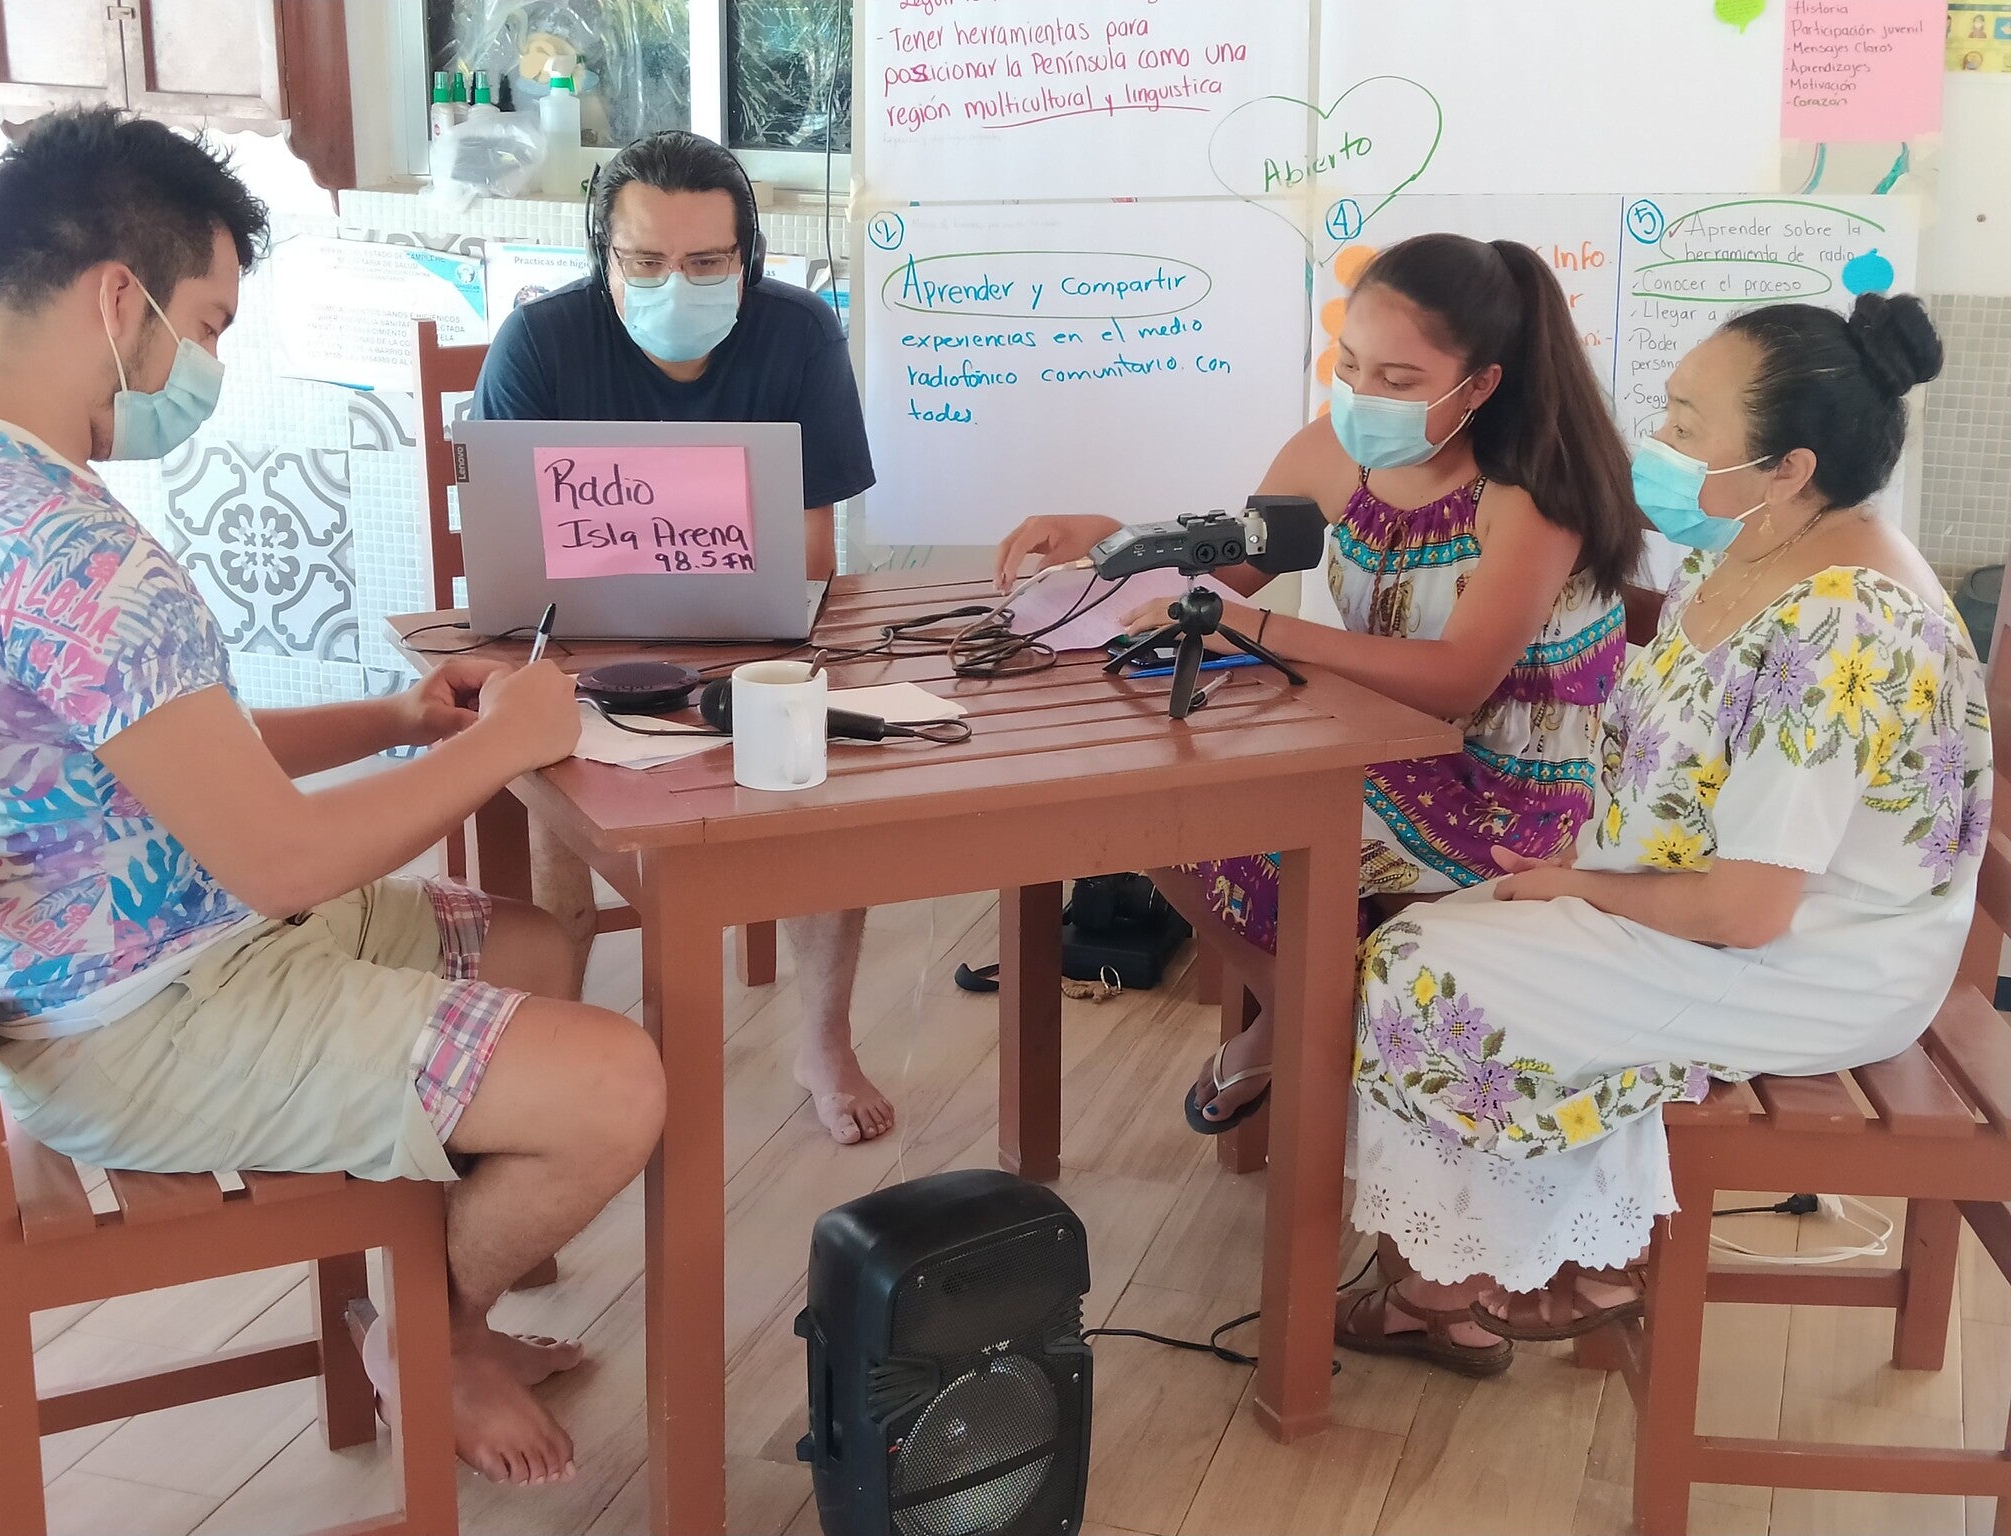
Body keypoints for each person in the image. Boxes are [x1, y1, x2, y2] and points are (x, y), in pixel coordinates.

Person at [0, 108, 662, 1486]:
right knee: (616, 1087)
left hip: (117, 968)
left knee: (534, 949)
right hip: (142, 1022)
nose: (209, 367)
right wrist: (506, 741)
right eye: (209, 326)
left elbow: (172, 754)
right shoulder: (68, 552)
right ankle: (429, 1335)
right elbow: (282, 861)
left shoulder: (3, 496)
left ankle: (431, 1309)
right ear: (119, 300)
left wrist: (398, 719)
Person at [1331, 292, 1983, 1374]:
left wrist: (1579, 890)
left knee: (1419, 967)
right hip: (1719, 917)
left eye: (1686, 423)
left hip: (1812, 962)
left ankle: (1490, 1274)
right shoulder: (1747, 550)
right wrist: (1579, 864)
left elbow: (1749, 908)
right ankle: (1484, 1268)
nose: (1658, 444)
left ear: (1787, 467)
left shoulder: (1842, 625)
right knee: (1425, 937)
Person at [996, 234, 1644, 1132]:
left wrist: (1263, 629)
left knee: (1243, 820)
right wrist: (1112, 542)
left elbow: (1457, 683)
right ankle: (1311, 1014)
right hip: (1381, 744)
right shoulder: (1333, 451)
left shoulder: (1533, 493)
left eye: (1399, 379)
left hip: (1517, 791)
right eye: (1350, 366)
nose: (1362, 395)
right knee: (1156, 803)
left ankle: (1303, 1027)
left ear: (1480, 385)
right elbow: (1228, 578)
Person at [474, 131, 891, 1145]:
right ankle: (554, 1041)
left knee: (824, 773)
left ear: (749, 257)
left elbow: (812, 557)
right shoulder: (539, 344)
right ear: (603, 257)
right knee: (551, 785)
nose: (678, 284)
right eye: (646, 261)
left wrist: (756, 648)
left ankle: (822, 1041)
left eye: (708, 262)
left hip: (757, 634)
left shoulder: (799, 335)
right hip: (579, 647)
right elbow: (512, 563)